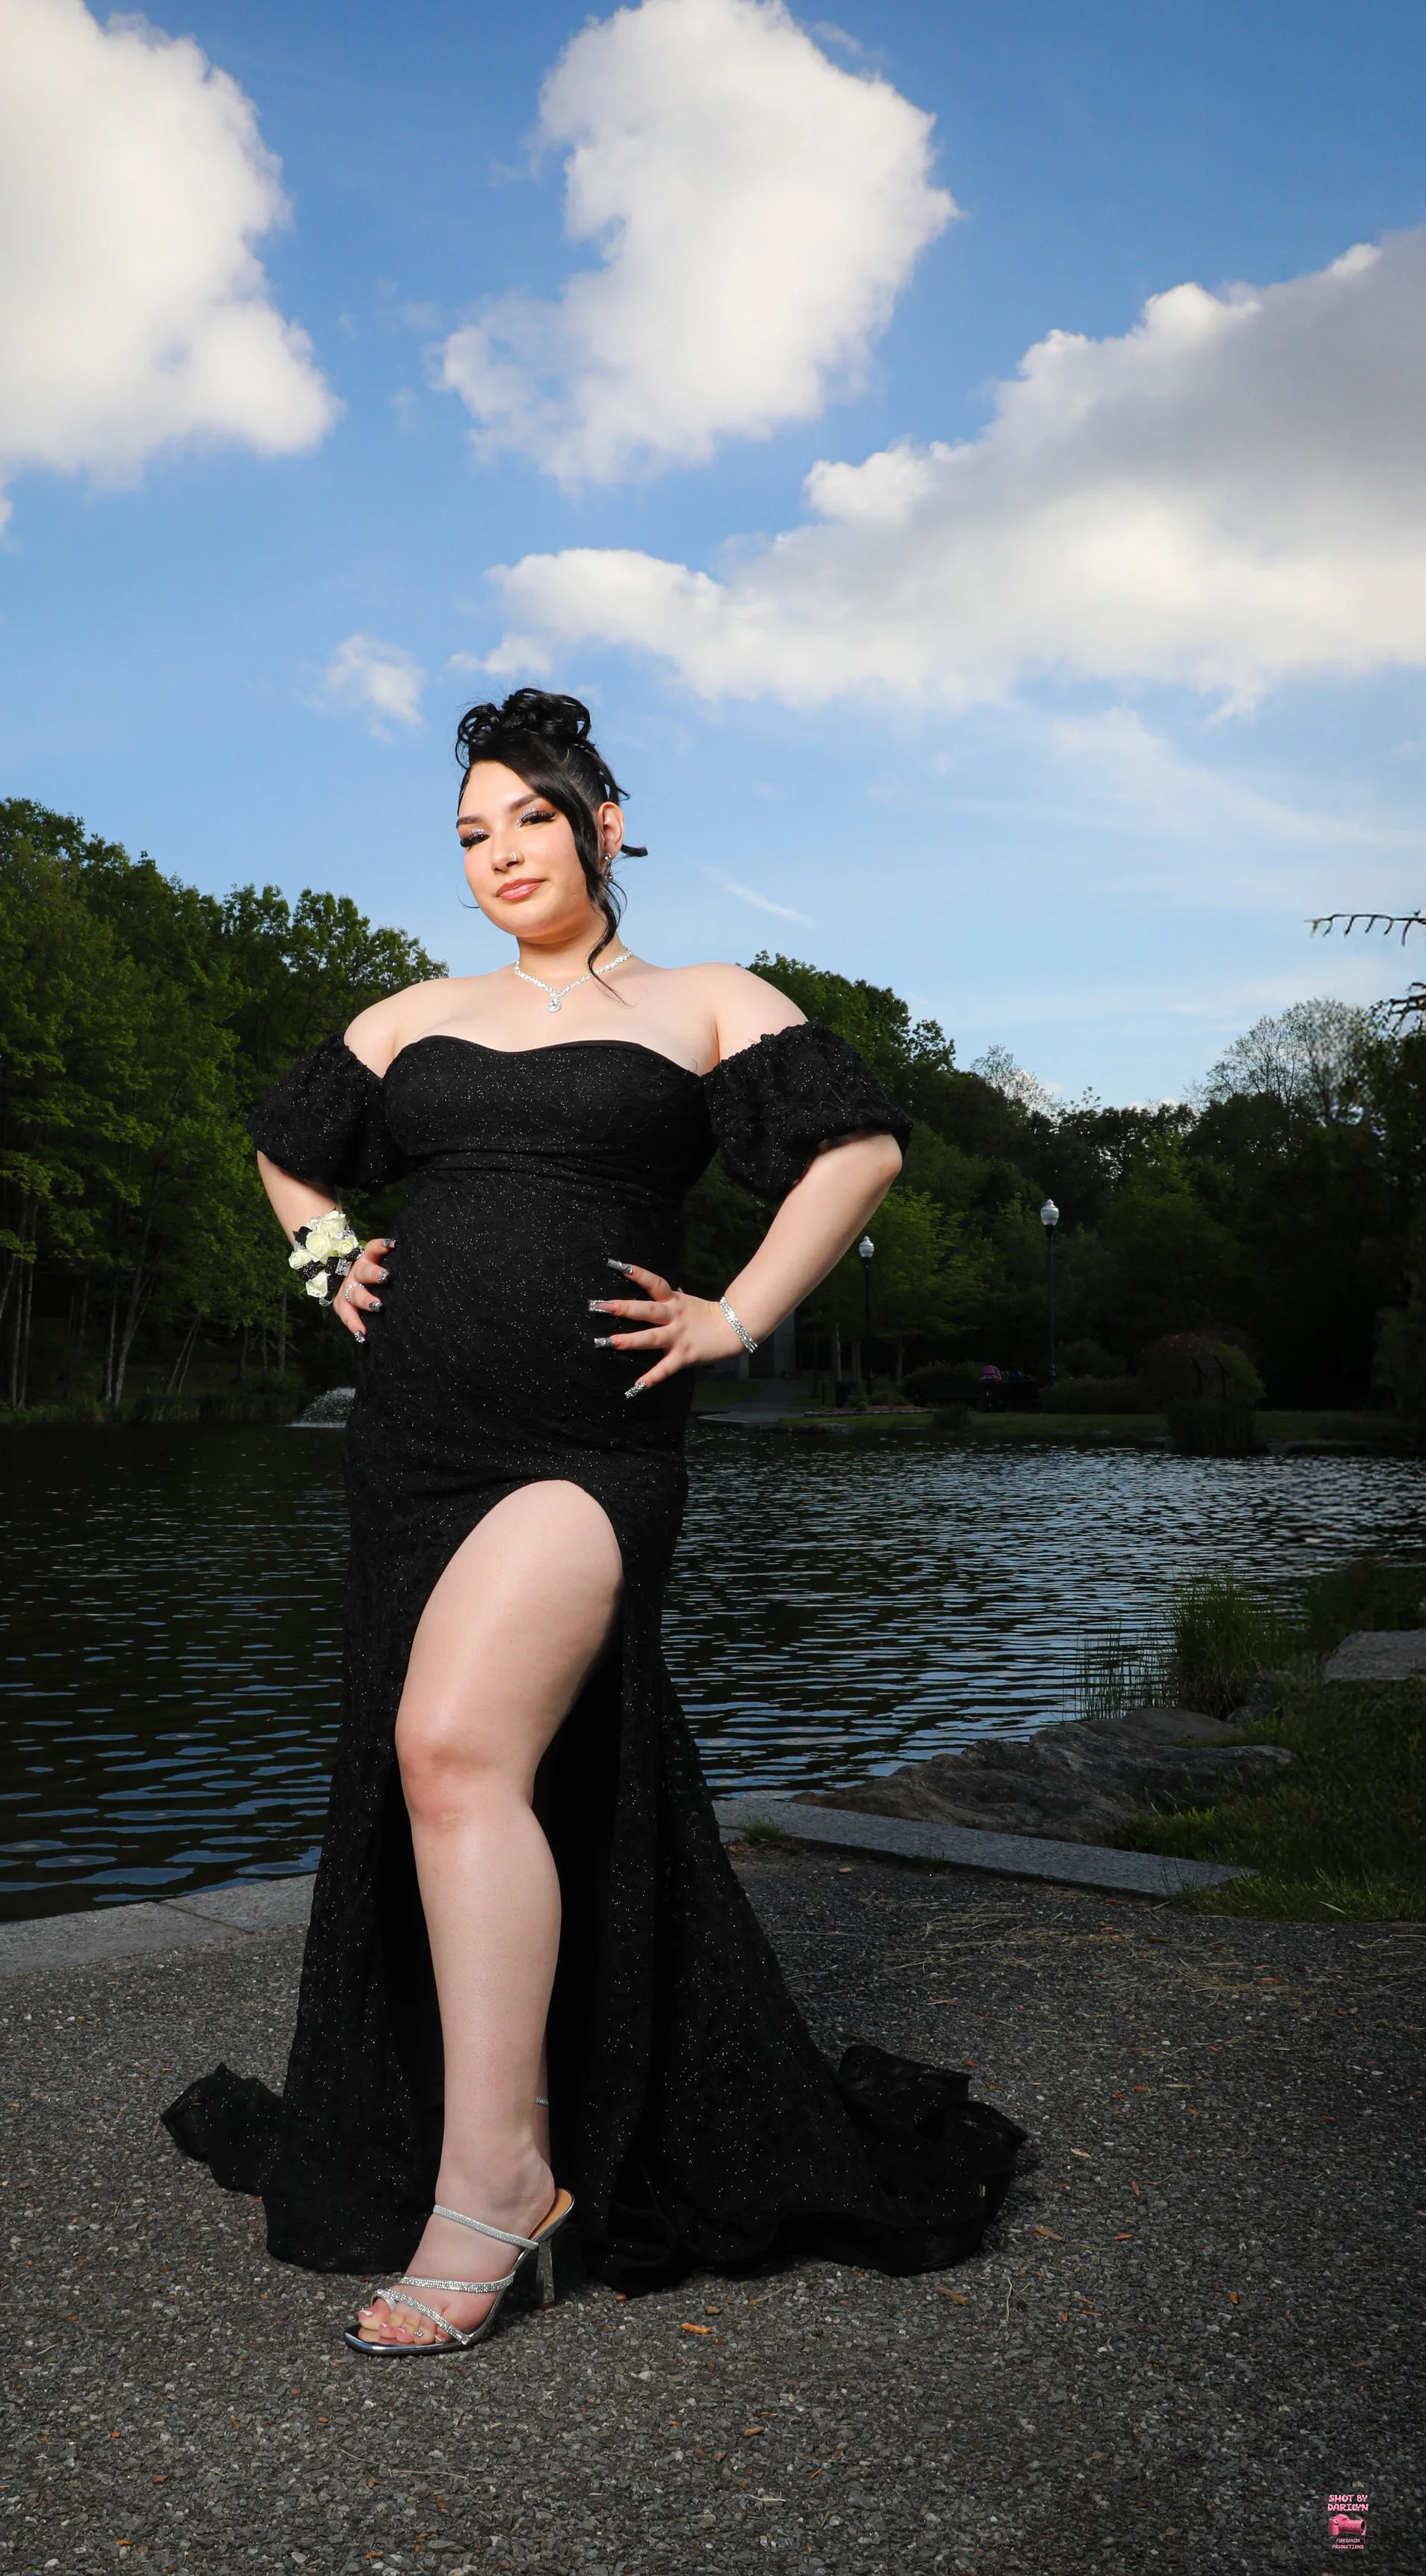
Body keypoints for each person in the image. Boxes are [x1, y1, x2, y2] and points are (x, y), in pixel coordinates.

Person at [166, 690, 1024, 2355]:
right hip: (414, 1442)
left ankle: (496, 2182)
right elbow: (284, 1154)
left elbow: (855, 1151)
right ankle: (499, 2144)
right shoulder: (411, 1013)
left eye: (526, 820)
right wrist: (319, 1260)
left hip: (591, 1442)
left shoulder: (710, 1001)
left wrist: (736, 1314)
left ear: (603, 824)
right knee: (454, 1768)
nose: (496, 854)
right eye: (469, 833)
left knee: (450, 1749)